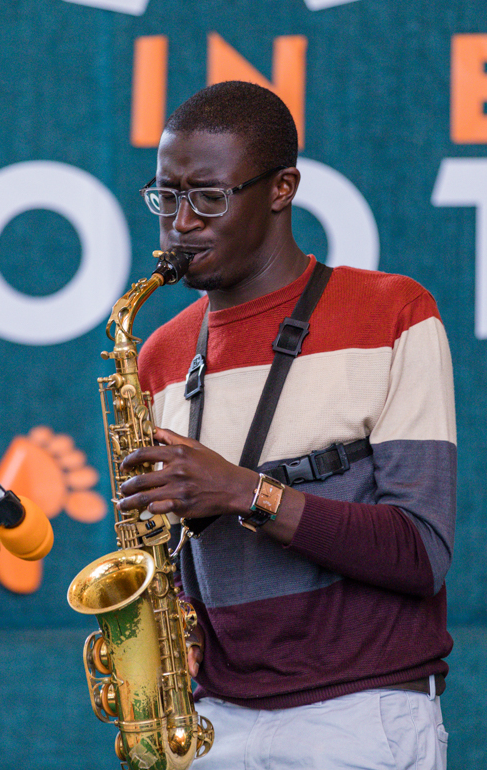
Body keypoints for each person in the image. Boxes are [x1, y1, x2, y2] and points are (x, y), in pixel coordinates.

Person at [117, 80, 456, 770]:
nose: (181, 222)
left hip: (358, 713)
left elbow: (422, 553)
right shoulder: (156, 355)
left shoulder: (394, 314)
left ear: (283, 188)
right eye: (166, 196)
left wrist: (247, 493)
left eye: (208, 197)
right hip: (209, 722)